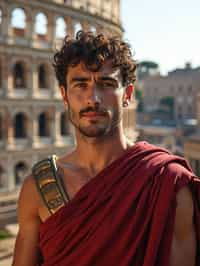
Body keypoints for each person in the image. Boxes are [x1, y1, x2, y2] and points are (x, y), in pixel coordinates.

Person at [12, 31, 200, 266]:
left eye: (107, 83)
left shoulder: (168, 182)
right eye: (80, 84)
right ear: (64, 95)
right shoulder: (37, 189)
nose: (93, 98)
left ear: (127, 95)